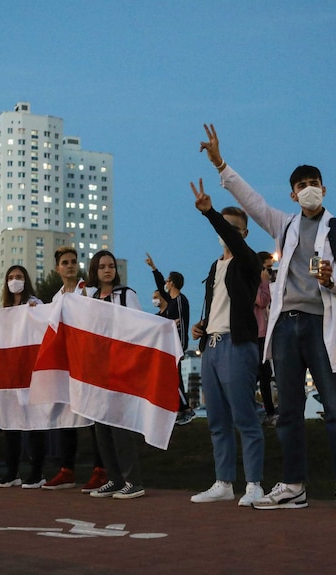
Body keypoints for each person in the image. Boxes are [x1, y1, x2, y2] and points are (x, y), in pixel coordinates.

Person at [200, 123, 336, 515]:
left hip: (320, 324)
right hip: (286, 325)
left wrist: (333, 280)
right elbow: (251, 201)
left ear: (324, 189)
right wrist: (221, 164)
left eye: (315, 182)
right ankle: (294, 485)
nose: (309, 188)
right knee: (287, 409)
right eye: (302, 184)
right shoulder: (285, 224)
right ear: (293, 194)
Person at [187, 182, 265, 507]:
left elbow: (231, 237)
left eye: (233, 229)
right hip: (212, 347)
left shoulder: (248, 262)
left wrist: (210, 213)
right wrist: (201, 327)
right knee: (217, 420)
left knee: (245, 417)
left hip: (238, 345)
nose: (226, 232)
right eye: (223, 226)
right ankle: (223, 482)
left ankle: (255, 485)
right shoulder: (214, 266)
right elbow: (218, 305)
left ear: (244, 234)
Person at [42, 246, 108, 493]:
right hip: (67, 365)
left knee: (93, 418)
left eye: (73, 261)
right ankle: (66, 470)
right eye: (65, 262)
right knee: (66, 417)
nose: (70, 265)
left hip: (89, 363)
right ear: (57, 268)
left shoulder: (90, 291)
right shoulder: (55, 299)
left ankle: (101, 470)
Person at [86, 250, 146, 500]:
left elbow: (139, 325)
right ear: (95, 271)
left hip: (120, 366)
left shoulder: (126, 294)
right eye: (102, 267)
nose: (108, 270)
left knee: (120, 425)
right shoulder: (88, 297)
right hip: (97, 370)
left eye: (111, 266)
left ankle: (133, 481)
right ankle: (114, 478)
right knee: (101, 426)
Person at [0, 265, 48, 489]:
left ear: (26, 280)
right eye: (11, 277)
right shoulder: (5, 308)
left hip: (31, 372)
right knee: (11, 423)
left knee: (35, 423)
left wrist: (37, 314)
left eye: (19, 277)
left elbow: (44, 330)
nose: (14, 280)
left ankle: (37, 473)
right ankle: (12, 472)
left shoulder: (35, 304)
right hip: (11, 373)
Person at [145, 253, 194, 425]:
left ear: (172, 283)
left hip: (177, 345)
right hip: (171, 345)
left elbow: (180, 325)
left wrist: (178, 344)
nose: (164, 284)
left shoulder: (180, 300)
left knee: (174, 376)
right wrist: (154, 268)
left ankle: (185, 408)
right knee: (174, 376)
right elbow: (159, 285)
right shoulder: (171, 301)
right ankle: (181, 408)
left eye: (167, 281)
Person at [255, 251, 276, 425]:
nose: (270, 271)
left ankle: (269, 410)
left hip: (262, 332)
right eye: (268, 267)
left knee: (263, 374)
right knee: (263, 373)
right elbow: (262, 301)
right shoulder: (256, 280)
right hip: (256, 333)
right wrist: (264, 281)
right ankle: (269, 411)